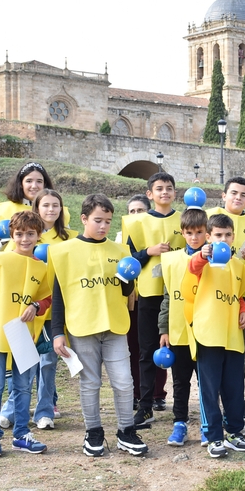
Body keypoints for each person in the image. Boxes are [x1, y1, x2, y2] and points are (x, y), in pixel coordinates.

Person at [51, 194, 148, 457]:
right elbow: (59, 295)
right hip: (82, 327)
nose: (103, 226)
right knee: (90, 382)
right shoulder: (64, 252)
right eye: (98, 220)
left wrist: (129, 276)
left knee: (124, 382)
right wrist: (57, 332)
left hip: (115, 326)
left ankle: (126, 431)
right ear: (84, 219)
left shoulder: (120, 251)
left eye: (108, 221)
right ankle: (93, 432)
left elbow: (126, 291)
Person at [0, 210, 52, 457]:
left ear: (38, 235)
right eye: (19, 234)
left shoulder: (41, 267)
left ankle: (21, 434)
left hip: (24, 334)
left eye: (30, 234)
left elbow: (47, 297)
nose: (24, 239)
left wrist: (36, 306)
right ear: (11, 235)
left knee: (23, 386)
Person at [0, 189, 76, 431]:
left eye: (56, 205)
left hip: (54, 311)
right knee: (24, 363)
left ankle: (44, 411)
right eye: (46, 205)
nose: (51, 209)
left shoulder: (70, 238)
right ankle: (11, 409)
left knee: (48, 363)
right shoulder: (24, 237)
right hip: (24, 314)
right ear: (36, 208)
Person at [185, 212, 245, 456]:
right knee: (210, 387)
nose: (223, 240)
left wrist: (244, 310)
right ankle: (214, 436)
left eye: (227, 235)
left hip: (232, 335)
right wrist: (202, 254)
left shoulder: (238, 265)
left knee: (234, 386)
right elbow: (192, 267)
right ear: (208, 237)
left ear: (233, 237)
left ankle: (234, 432)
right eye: (217, 235)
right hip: (208, 333)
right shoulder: (201, 261)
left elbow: (240, 294)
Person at [124, 172, 185, 427]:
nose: (164, 192)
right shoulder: (136, 223)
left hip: (178, 294)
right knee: (147, 351)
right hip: (149, 293)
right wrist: (148, 251)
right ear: (150, 194)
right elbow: (127, 258)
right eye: (159, 188)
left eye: (169, 188)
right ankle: (145, 405)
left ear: (175, 192)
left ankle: (180, 411)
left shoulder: (183, 219)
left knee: (180, 351)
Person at [208, 177, 245, 432]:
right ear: (224, 195)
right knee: (212, 356)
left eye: (243, 194)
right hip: (213, 298)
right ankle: (211, 410)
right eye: (233, 193)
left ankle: (233, 410)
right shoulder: (208, 216)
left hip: (243, 297)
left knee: (238, 356)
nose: (238, 198)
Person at [156, 208, 208, 448]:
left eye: (199, 232)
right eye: (189, 233)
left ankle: (208, 424)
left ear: (207, 233)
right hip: (179, 330)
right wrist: (164, 328)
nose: (194, 237)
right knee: (180, 380)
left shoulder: (215, 260)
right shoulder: (171, 260)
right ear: (182, 233)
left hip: (207, 330)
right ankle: (180, 423)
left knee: (206, 380)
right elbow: (167, 296)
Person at [118, 195, 169, 412]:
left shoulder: (160, 230)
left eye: (140, 211)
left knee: (160, 343)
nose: (136, 215)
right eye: (132, 211)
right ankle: (137, 393)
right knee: (137, 347)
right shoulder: (125, 235)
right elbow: (126, 260)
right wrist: (148, 251)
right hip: (134, 298)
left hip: (158, 294)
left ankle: (158, 393)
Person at [0, 161, 70, 251]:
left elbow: (67, 245)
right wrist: (4, 238)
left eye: (39, 181)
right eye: (29, 181)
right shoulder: (3, 211)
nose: (34, 186)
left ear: (44, 184)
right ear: (20, 184)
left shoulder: (56, 212)